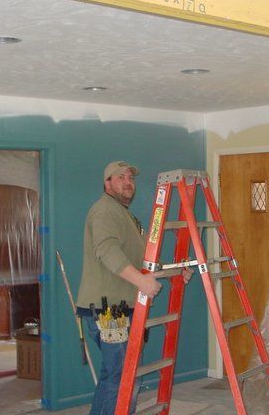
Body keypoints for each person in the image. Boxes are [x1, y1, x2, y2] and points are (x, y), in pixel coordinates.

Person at [76, 161, 192, 414]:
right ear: (107, 183)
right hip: (109, 311)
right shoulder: (104, 211)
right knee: (123, 377)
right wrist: (141, 281)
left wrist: (176, 270)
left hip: (122, 308)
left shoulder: (126, 216)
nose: (128, 182)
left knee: (117, 375)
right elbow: (107, 250)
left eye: (130, 178)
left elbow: (145, 260)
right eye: (120, 177)